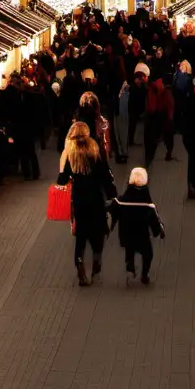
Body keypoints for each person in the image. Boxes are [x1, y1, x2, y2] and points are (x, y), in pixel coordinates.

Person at [58, 121, 116, 286]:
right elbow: (105, 173)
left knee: (81, 236)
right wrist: (112, 194)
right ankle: (97, 259)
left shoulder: (72, 152)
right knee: (98, 230)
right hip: (96, 197)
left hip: (79, 199)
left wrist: (62, 178)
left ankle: (80, 266)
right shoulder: (94, 149)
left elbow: (63, 178)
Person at [109, 167, 165, 285]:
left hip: (126, 233)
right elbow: (154, 218)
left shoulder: (121, 201)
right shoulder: (147, 204)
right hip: (142, 235)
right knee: (148, 254)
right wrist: (159, 230)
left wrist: (111, 224)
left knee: (130, 248)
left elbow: (113, 210)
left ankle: (130, 266)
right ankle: (144, 274)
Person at [143, 73, 176, 166]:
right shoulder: (165, 90)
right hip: (161, 115)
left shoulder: (152, 89)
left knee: (152, 139)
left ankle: (149, 158)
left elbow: (151, 106)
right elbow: (170, 105)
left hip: (156, 115)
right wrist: (170, 119)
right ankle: (167, 153)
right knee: (167, 136)